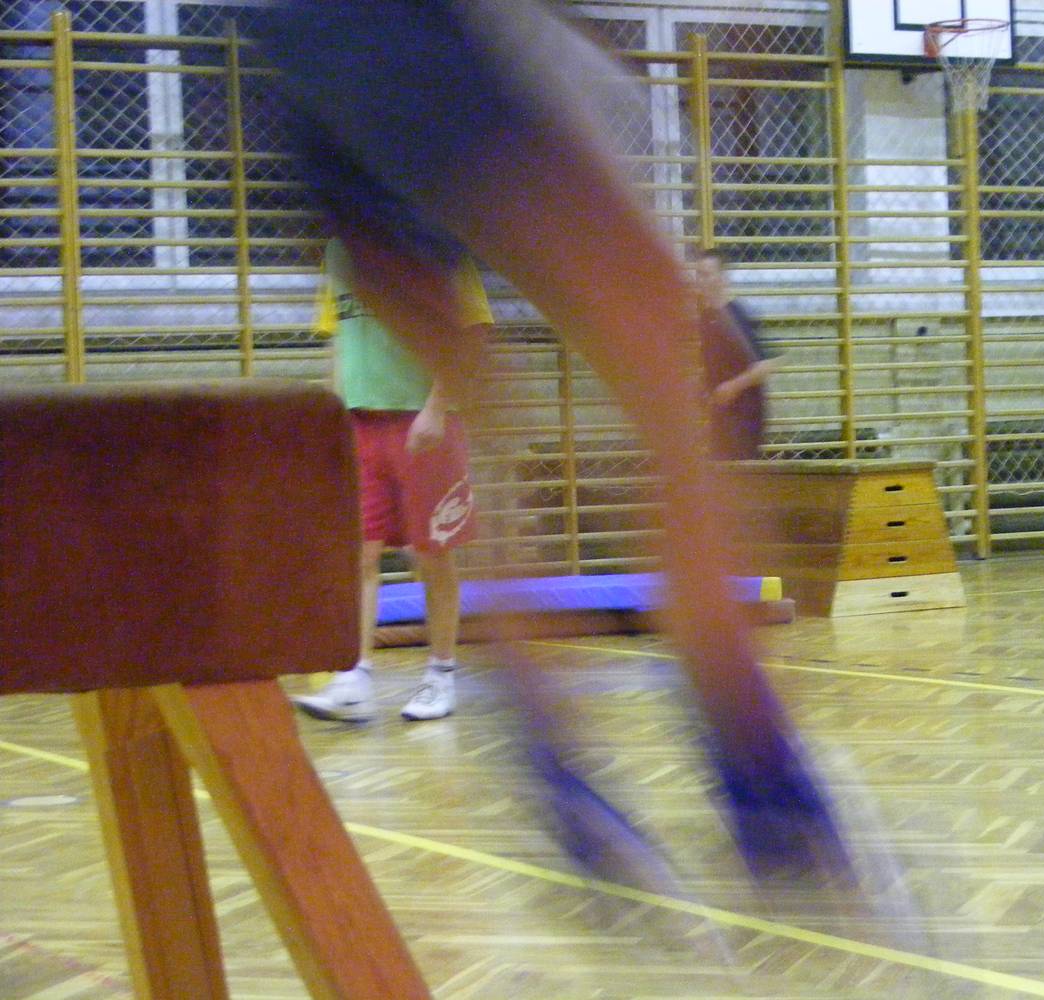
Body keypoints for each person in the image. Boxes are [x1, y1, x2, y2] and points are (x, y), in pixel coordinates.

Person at [258, 0, 851, 884]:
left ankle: (556, 765)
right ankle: (759, 773)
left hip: (300, 72)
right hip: (431, 39)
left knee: (498, 430)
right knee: (675, 400)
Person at [294, 239, 490, 723]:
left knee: (431, 554)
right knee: (359, 553)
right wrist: (334, 411)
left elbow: (469, 333)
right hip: (361, 424)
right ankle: (354, 677)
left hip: (422, 422)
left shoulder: (436, 246)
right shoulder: (339, 250)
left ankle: (440, 673)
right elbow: (339, 339)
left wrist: (437, 408)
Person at [695, 248, 780, 461]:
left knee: (739, 474)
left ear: (723, 278)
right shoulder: (707, 318)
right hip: (723, 414)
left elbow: (765, 365)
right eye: (699, 275)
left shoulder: (734, 317)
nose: (701, 281)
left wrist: (732, 387)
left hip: (744, 415)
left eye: (706, 275)